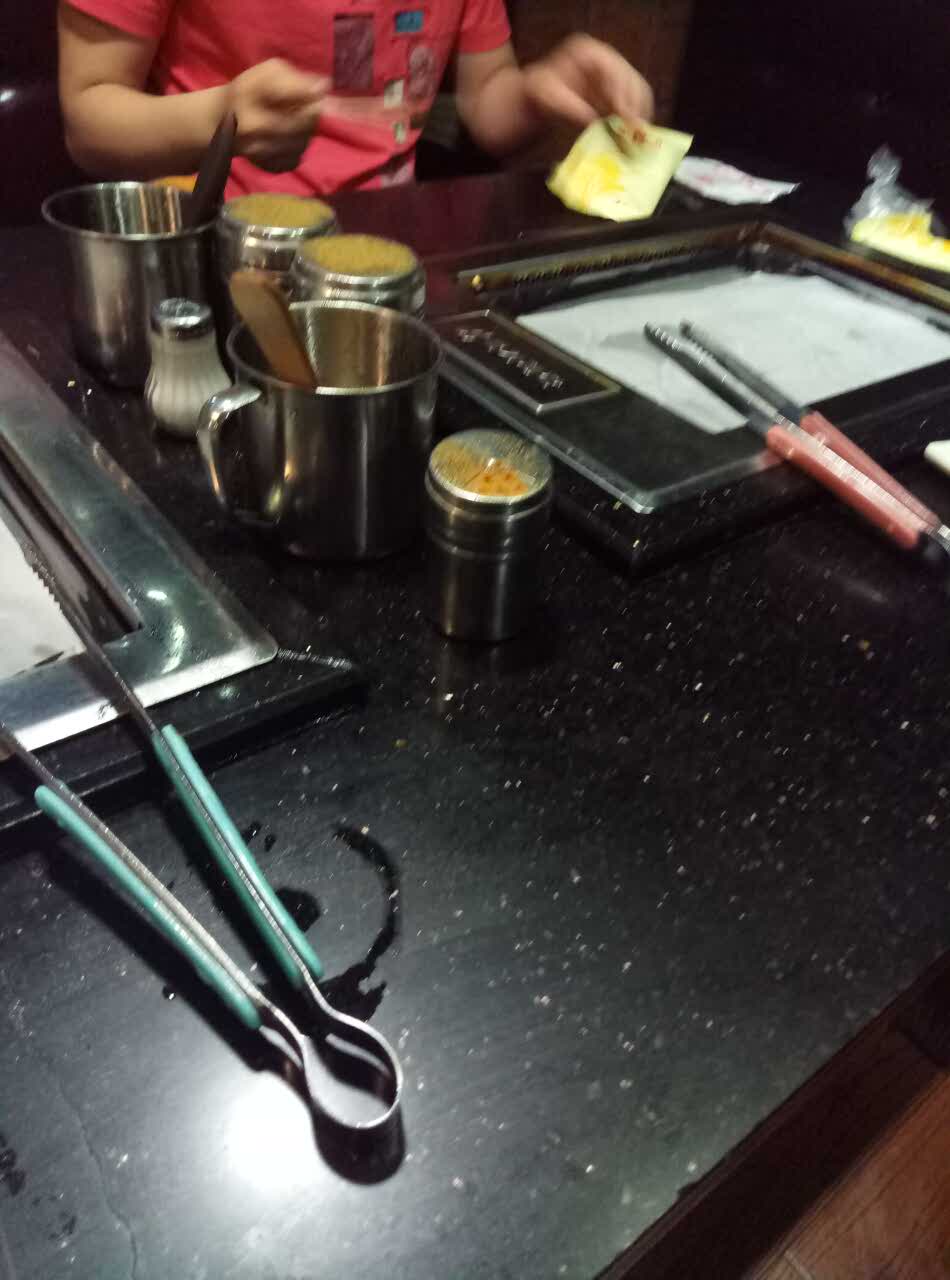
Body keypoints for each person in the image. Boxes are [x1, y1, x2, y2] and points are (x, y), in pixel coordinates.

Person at [56, 0, 654, 198]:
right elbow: (89, 118)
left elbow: (487, 104)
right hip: (211, 242)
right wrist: (221, 119)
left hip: (388, 251)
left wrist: (539, 90)